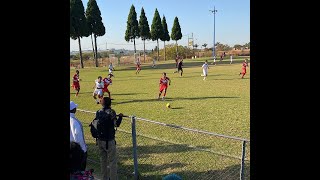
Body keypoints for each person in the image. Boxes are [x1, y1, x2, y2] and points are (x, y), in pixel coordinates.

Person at [95, 97, 123, 180]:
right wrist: (120, 117)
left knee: (103, 161)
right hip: (109, 140)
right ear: (110, 104)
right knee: (112, 162)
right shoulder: (111, 112)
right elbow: (116, 124)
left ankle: (104, 178)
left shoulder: (98, 112)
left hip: (100, 140)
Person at [70, 101, 87, 171]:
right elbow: (80, 139)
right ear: (74, 110)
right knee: (80, 171)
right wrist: (84, 150)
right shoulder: (75, 122)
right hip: (77, 152)